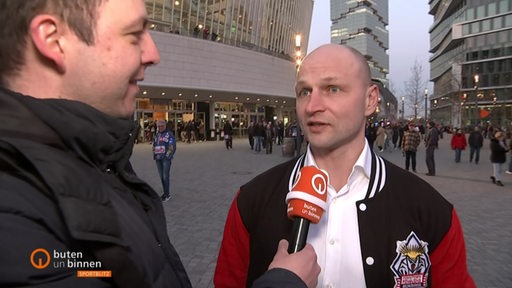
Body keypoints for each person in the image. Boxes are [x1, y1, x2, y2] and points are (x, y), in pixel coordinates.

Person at [0, 1, 319, 287]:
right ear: (54, 39)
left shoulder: (100, 160)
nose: (153, 54)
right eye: (133, 34)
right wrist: (284, 282)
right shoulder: (14, 217)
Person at [214, 44, 475, 288]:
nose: (312, 106)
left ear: (370, 100)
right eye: (304, 92)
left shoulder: (430, 210)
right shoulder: (251, 201)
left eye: (332, 89)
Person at [153, 119, 176, 202]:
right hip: (158, 158)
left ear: (165, 126)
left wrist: (168, 156)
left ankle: (167, 194)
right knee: (161, 177)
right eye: (158, 126)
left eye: (161, 126)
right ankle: (165, 193)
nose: (160, 127)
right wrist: (154, 153)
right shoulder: (157, 134)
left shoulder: (169, 134)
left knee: (165, 176)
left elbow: (172, 146)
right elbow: (155, 144)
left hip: (165, 159)